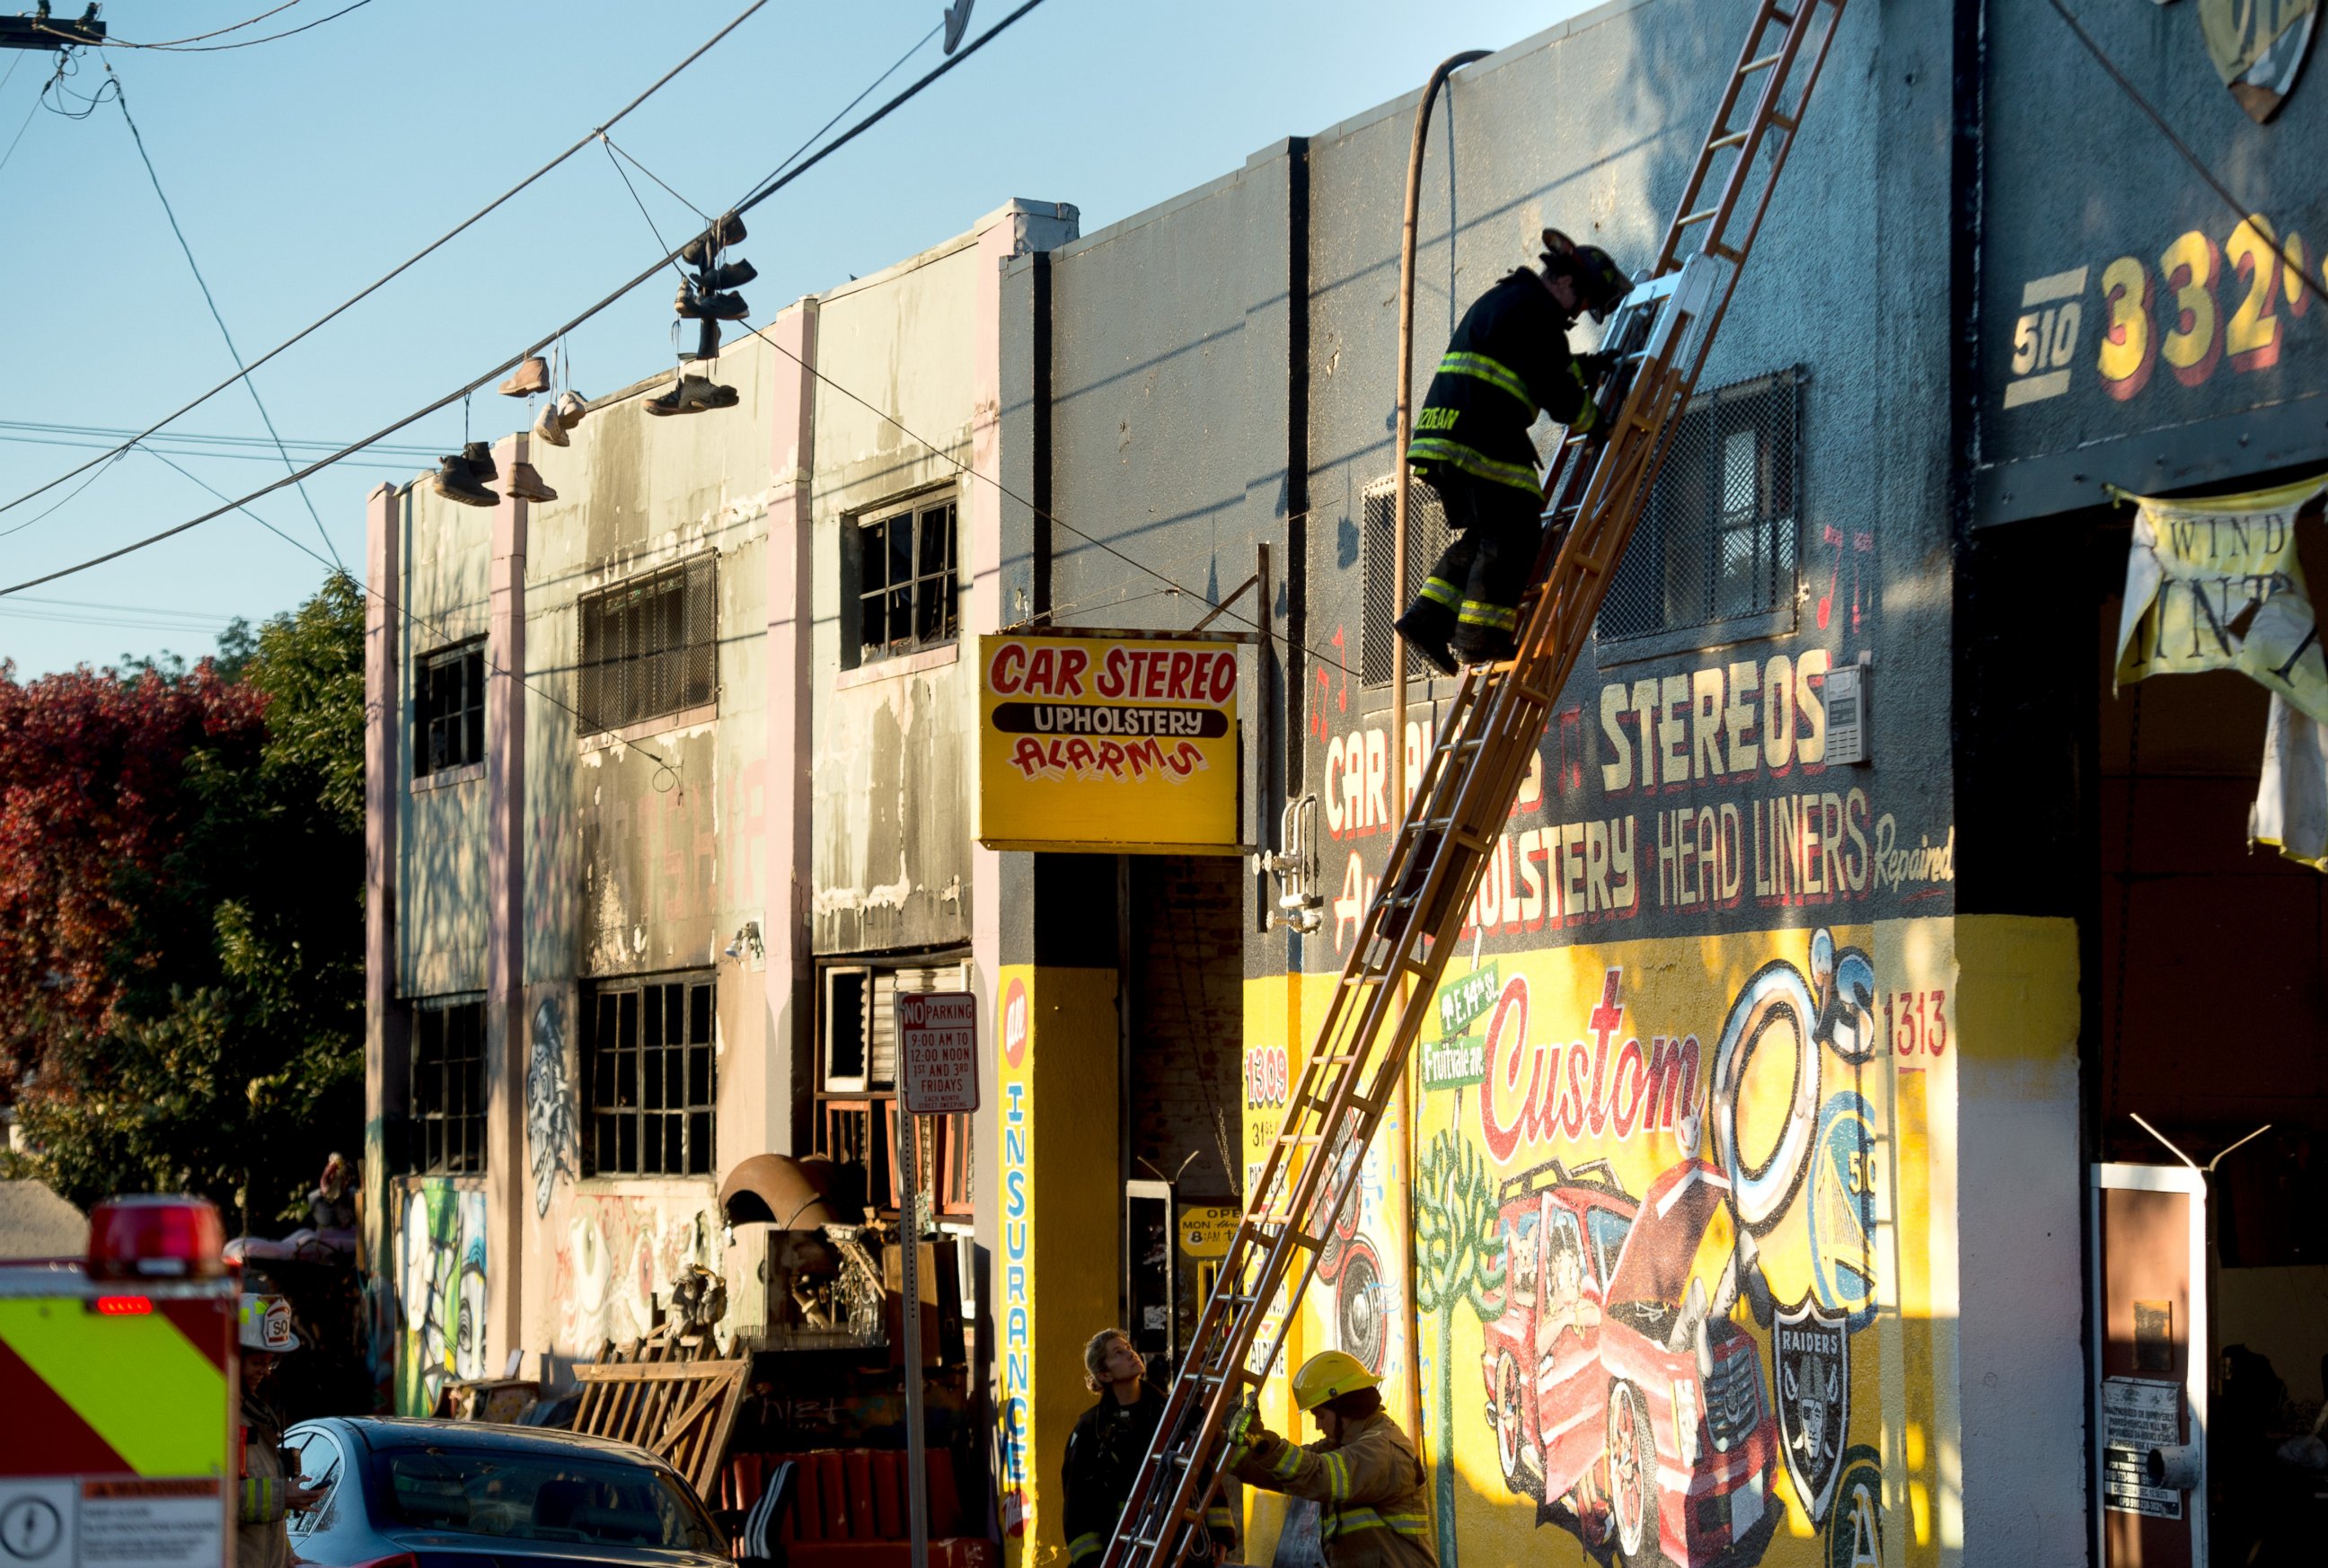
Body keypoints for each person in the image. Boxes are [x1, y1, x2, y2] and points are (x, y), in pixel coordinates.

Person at [1394, 228, 1632, 672]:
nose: (1579, 314)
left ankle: (1428, 619)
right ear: (1563, 281)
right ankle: (1479, 637)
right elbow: (1558, 393)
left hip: (1448, 433)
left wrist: (1588, 368)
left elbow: (1538, 367)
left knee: (1488, 533)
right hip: (1480, 433)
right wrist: (1597, 424)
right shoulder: (1536, 313)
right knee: (1518, 528)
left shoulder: (1514, 302)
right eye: (1581, 302)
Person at [1227, 1351, 1433, 1568]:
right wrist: (1220, 1447)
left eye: (1320, 1415)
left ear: (1344, 1406)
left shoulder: (1382, 1451)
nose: (1318, 1426)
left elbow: (1320, 1476)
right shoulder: (1345, 1443)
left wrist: (1265, 1443)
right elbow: (1286, 1474)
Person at [1063, 1329, 1238, 1567]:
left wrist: (1219, 1534)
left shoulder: (1174, 1413)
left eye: (1128, 1347)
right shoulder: (1090, 1429)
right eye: (1118, 1352)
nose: (1131, 1354)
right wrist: (1093, 1561)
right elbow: (1078, 1503)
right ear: (1104, 1374)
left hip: (1181, 1545)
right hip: (1122, 1549)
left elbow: (1202, 1472)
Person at [237, 1291, 324, 1568]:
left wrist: (288, 1557)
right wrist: (283, 1495)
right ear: (233, 1357)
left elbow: (267, 1525)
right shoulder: (220, 1417)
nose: (264, 1371)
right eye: (256, 1362)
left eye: (269, 1362)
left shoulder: (253, 1416)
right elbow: (214, 1495)